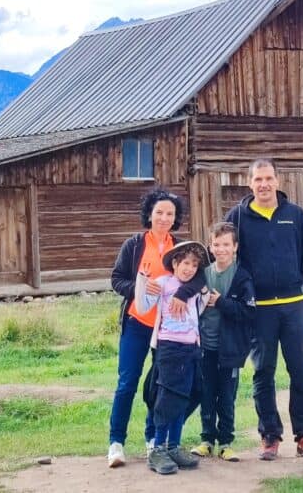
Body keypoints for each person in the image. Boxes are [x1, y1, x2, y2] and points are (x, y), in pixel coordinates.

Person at [225, 159, 303, 460]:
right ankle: (269, 436)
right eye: (258, 179)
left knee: (300, 372)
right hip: (259, 311)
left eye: (269, 178)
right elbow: (225, 259)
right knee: (263, 373)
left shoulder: (296, 216)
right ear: (249, 183)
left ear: (278, 180)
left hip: (293, 308)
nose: (264, 184)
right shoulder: (238, 218)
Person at [107, 188, 205, 469]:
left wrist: (182, 294)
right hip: (139, 324)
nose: (164, 218)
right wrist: (139, 289)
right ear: (149, 214)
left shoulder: (181, 248)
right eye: (159, 212)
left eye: (170, 214)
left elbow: (199, 277)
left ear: (176, 218)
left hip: (169, 336)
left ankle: (154, 439)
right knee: (127, 383)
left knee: (162, 386)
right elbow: (116, 279)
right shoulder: (135, 245)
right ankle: (116, 443)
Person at [135, 240, 211, 475]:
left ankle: (174, 446)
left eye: (194, 265)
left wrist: (204, 293)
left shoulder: (196, 288)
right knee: (166, 399)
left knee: (184, 396)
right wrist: (142, 282)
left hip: (191, 349)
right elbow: (142, 305)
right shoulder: (164, 283)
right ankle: (157, 449)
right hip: (169, 349)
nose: (189, 268)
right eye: (185, 263)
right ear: (175, 263)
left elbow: (201, 306)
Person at [190, 221, 255, 462]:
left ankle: (226, 442)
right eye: (216, 244)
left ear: (235, 247)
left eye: (226, 244)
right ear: (210, 246)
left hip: (230, 349)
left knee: (226, 397)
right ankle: (207, 440)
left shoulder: (242, 276)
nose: (221, 249)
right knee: (206, 394)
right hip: (205, 347)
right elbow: (191, 304)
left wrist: (221, 303)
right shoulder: (203, 273)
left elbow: (249, 311)